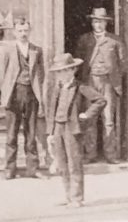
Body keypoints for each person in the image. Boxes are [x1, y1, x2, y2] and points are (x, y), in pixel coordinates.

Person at [44, 53, 106, 208]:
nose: (60, 74)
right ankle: (68, 196)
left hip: (72, 129)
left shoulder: (80, 86)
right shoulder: (57, 88)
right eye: (58, 72)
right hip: (58, 127)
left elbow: (100, 100)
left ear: (72, 71)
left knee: (74, 163)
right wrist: (50, 132)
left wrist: (86, 114)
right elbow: (53, 110)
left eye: (64, 71)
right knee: (62, 163)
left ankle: (77, 198)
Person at [0, 17, 45, 179]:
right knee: (11, 134)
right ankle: (9, 169)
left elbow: (41, 74)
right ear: (14, 32)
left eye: (25, 30)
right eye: (20, 31)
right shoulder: (7, 49)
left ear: (29, 31)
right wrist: (8, 91)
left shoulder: (36, 50)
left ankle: (33, 169)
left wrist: (37, 91)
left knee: (31, 134)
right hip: (13, 94)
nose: (23, 34)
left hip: (31, 94)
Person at [73, 7, 124, 163]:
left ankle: (111, 155)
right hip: (90, 82)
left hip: (108, 83)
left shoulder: (115, 40)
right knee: (90, 118)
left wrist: (114, 79)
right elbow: (78, 62)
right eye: (95, 21)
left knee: (108, 119)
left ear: (106, 23)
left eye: (101, 21)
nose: (98, 25)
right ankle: (90, 154)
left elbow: (122, 63)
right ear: (92, 23)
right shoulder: (84, 40)